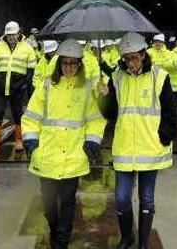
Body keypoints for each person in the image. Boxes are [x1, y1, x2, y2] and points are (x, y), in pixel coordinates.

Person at [21, 40, 106, 249]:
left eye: (73, 63)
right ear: (59, 64)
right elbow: (31, 116)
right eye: (65, 63)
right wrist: (31, 142)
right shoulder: (47, 86)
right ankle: (54, 228)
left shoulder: (86, 88)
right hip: (47, 155)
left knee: (67, 203)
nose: (69, 67)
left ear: (79, 64)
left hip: (74, 156)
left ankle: (61, 242)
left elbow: (95, 119)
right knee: (50, 205)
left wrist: (92, 142)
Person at [105, 32, 177, 249]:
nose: (130, 63)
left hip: (150, 148)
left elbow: (170, 111)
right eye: (126, 58)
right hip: (125, 147)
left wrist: (165, 135)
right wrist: (103, 95)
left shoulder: (160, 76)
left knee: (147, 199)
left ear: (143, 55)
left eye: (134, 58)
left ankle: (143, 243)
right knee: (122, 199)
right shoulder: (116, 77)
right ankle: (127, 237)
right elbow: (111, 113)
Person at [0, 21, 37, 157]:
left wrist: (26, 84)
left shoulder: (27, 48)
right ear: (5, 35)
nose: (11, 38)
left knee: (17, 113)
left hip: (17, 88)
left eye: (14, 35)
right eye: (9, 35)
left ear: (19, 33)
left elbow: (31, 69)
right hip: (0, 88)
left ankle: (19, 140)